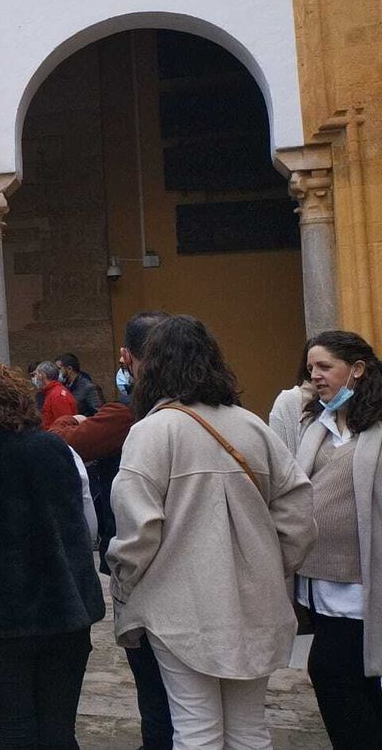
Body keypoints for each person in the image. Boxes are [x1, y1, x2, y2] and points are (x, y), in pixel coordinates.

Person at [108, 315, 315, 749]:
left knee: (195, 727)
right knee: (249, 728)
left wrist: (125, 584)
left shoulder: (151, 432)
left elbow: (138, 531)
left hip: (178, 607)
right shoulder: (252, 425)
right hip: (255, 601)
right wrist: (270, 562)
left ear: (151, 365)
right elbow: (298, 509)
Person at [0, 359, 104, 748]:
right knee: (59, 730)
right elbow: (88, 528)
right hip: (67, 611)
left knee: (8, 730)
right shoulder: (62, 451)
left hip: (0, 619)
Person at [46, 310, 169, 749]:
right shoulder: (229, 415)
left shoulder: (130, 414)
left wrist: (71, 422)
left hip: (146, 571)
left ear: (126, 358)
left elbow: (59, 445)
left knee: (155, 682)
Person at [296, 330, 382, 747]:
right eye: (311, 367)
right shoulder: (318, 426)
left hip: (365, 586)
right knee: (349, 682)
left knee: (336, 676)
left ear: (358, 370)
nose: (315, 375)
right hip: (320, 585)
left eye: (325, 366)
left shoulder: (378, 430)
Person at [56, 353, 104, 417]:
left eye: (59, 369)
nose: (57, 372)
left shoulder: (89, 387)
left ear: (69, 369)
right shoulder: (63, 387)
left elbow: (99, 414)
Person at [32, 360, 77, 427]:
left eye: (35, 374)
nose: (34, 378)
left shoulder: (57, 396)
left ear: (42, 375)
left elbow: (64, 426)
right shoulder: (51, 393)